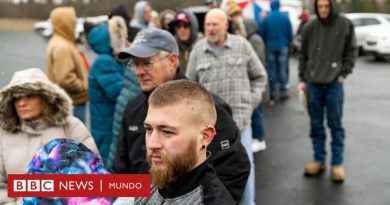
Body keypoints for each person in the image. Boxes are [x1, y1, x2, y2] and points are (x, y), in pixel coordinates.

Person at [114, 28, 250, 203]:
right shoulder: (133, 108)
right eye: (135, 64)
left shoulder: (205, 108)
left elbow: (233, 171)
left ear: (172, 61)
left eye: (146, 63)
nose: (139, 72)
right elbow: (121, 166)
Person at [186, 8, 268, 205]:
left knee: (245, 166)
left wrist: (251, 101)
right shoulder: (198, 50)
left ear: (226, 25)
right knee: (212, 171)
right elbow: (189, 86)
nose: (211, 28)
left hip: (241, 122)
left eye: (215, 24)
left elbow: (260, 76)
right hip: (210, 128)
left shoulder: (242, 45)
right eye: (207, 24)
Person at [0, 68, 98, 204]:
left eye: (29, 96)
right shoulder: (5, 135)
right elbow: (1, 187)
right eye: (16, 98)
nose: (21, 103)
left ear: (45, 97)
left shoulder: (71, 127)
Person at [135, 80, 235, 204]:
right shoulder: (158, 176)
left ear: (205, 136)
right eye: (149, 129)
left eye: (167, 132)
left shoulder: (212, 200)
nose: (152, 144)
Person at [298, 0, 357, 182]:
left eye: (326, 6)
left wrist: (343, 73)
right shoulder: (309, 26)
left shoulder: (345, 24)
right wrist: (302, 79)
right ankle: (319, 160)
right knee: (316, 125)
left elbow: (351, 51)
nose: (323, 9)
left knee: (335, 124)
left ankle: (337, 164)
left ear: (332, 6)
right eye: (320, 6)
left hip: (334, 85)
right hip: (313, 85)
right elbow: (303, 54)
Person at [226, 1, 267, 152]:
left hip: (251, 84)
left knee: (256, 111)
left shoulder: (254, 41)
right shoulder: (247, 40)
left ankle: (260, 138)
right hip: (246, 84)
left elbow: (259, 66)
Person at [88, 16, 128, 164]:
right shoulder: (104, 62)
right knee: (108, 160)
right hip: (106, 125)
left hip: (105, 121)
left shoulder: (107, 59)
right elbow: (117, 92)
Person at [46, 7, 88, 123]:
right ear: (65, 23)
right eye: (72, 21)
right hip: (72, 102)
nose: (75, 24)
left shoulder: (63, 41)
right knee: (74, 139)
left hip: (71, 101)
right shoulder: (62, 46)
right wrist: (84, 86)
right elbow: (65, 79)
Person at [260, 0, 293, 105]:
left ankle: (272, 93)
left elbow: (262, 33)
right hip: (282, 45)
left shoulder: (267, 18)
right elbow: (290, 33)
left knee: (271, 70)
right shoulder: (285, 17)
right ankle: (283, 92)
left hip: (270, 45)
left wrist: (266, 43)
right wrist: (287, 42)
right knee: (282, 69)